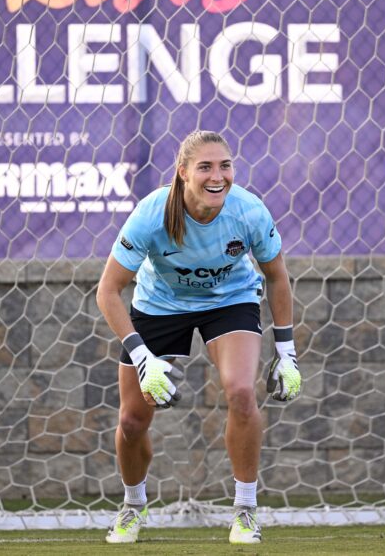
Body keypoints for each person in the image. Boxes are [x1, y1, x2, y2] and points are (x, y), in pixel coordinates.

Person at [96, 130, 302, 545]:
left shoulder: (248, 211)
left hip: (230, 301)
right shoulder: (153, 213)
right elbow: (107, 291)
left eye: (225, 166)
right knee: (132, 421)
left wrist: (287, 353)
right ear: (183, 172)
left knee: (242, 392)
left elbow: (277, 277)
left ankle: (245, 512)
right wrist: (142, 358)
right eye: (205, 167)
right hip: (160, 306)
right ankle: (133, 506)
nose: (217, 176)